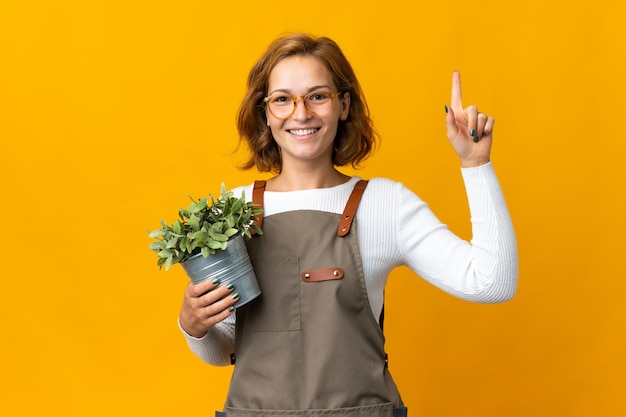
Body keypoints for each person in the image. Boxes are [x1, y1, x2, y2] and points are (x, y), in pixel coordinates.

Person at [178, 33, 518, 417]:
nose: (301, 113)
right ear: (265, 112)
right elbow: (225, 352)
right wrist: (194, 325)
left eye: (318, 96)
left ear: (343, 104)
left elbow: (492, 283)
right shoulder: (232, 212)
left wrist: (475, 165)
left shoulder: (385, 205)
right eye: (283, 99)